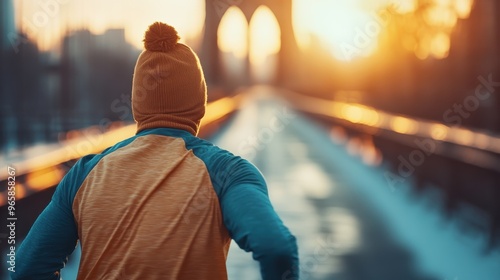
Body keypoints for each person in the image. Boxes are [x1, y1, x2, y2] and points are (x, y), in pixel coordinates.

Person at [12, 22, 299, 280]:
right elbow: (277, 249)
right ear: (200, 104)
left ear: (138, 104)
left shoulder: (84, 174)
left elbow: (27, 269)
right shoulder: (227, 172)